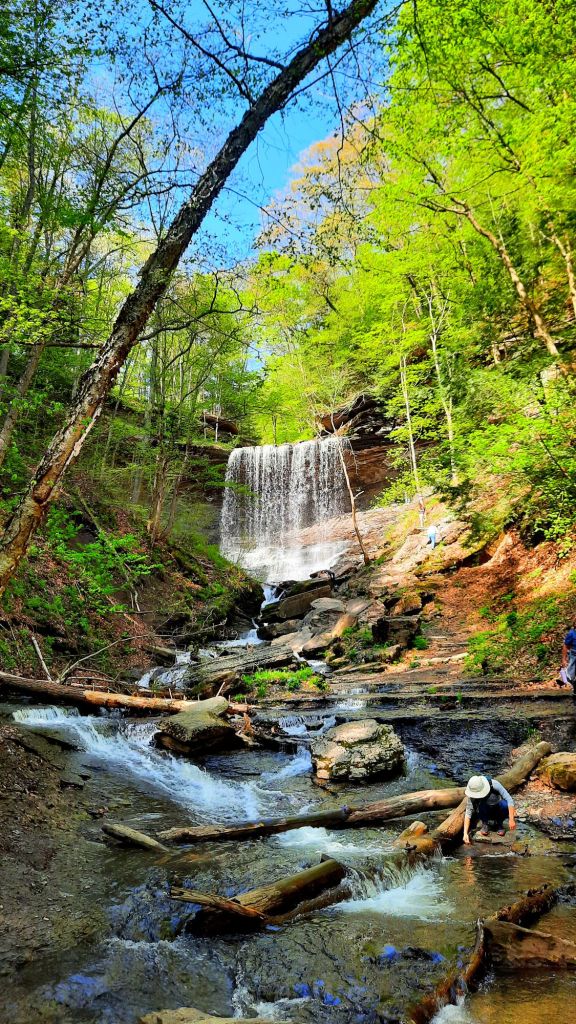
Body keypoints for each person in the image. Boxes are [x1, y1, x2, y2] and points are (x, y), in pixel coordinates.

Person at [462, 775, 516, 844]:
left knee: (505, 805)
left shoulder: (494, 784)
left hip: (497, 807)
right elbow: (468, 812)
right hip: (483, 808)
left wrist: (511, 819)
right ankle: (485, 824)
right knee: (479, 805)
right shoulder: (472, 792)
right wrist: (465, 833)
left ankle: (499, 824)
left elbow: (510, 800)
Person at [560, 617, 576, 688]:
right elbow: (565, 646)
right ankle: (567, 684)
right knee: (570, 673)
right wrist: (564, 659)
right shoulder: (572, 633)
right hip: (574, 655)